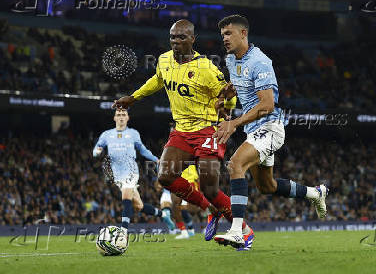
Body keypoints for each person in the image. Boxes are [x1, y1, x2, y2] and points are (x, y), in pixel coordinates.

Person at [112, 19, 254, 250]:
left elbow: (229, 100)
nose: (176, 42)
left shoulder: (206, 68)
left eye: (181, 37)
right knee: (165, 177)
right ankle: (210, 209)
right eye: (173, 37)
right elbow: (157, 80)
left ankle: (244, 231)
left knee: (210, 188)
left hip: (208, 129)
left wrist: (227, 100)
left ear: (192, 40)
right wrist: (134, 97)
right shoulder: (164, 60)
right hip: (182, 131)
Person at [213, 15, 328, 248]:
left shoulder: (260, 62)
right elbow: (241, 85)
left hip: (270, 127)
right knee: (267, 187)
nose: (224, 38)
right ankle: (315, 194)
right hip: (253, 130)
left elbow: (267, 105)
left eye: (229, 33)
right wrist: (227, 94)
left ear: (243, 33)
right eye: (222, 34)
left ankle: (237, 231)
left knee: (235, 165)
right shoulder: (230, 59)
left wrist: (234, 123)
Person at [93, 108, 175, 235]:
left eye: (123, 115)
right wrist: (97, 152)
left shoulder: (133, 133)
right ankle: (163, 214)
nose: (121, 117)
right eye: (118, 114)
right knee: (138, 206)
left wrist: (155, 159)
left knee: (126, 197)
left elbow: (142, 150)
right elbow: (96, 149)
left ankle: (123, 233)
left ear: (127, 118)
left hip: (131, 171)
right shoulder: (106, 135)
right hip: (117, 175)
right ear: (114, 118)